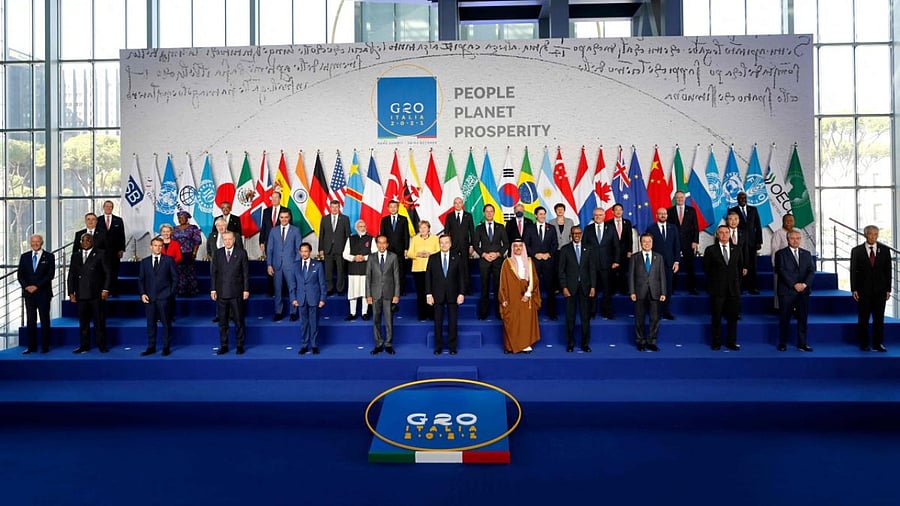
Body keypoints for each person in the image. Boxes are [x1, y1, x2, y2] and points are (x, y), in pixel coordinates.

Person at [703, 225, 746, 351]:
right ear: (717, 235)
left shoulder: (737, 249)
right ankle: (716, 342)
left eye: (726, 232)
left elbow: (739, 268)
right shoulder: (710, 250)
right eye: (721, 233)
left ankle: (731, 342)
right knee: (716, 317)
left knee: (732, 318)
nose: (724, 235)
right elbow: (706, 268)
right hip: (717, 290)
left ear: (730, 234)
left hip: (733, 290)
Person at [850, 225, 892, 352]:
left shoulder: (885, 250)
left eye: (875, 234)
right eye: (870, 234)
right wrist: (854, 289)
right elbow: (853, 271)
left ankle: (878, 343)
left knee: (879, 319)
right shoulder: (856, 251)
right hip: (863, 291)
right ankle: (864, 343)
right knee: (863, 318)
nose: (873, 236)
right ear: (865, 235)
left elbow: (888, 271)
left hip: (880, 291)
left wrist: (888, 289)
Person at [67, 233, 110, 353]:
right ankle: (84, 345)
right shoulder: (75, 256)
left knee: (99, 321)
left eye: (88, 240)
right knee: (83, 322)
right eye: (83, 240)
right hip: (81, 293)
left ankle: (102, 345)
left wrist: (105, 289)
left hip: (96, 293)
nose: (85, 242)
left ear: (92, 241)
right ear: (80, 242)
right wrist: (71, 292)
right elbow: (71, 275)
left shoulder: (101, 253)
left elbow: (107, 273)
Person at [774, 230, 815, 352]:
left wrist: (804, 284)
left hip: (803, 291)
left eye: (798, 238)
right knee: (784, 318)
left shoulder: (806, 254)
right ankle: (782, 343)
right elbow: (781, 270)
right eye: (792, 238)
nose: (795, 240)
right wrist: (794, 284)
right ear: (788, 239)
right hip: (787, 292)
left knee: (803, 319)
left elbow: (811, 271)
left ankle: (802, 343)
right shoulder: (780, 254)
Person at [210, 231, 250, 355]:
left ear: (234, 240)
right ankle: (224, 345)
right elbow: (214, 273)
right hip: (221, 293)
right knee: (223, 322)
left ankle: (239, 345)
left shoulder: (241, 253)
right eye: (225, 239)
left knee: (239, 321)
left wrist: (246, 289)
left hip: (237, 292)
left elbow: (245, 273)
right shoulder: (218, 253)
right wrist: (213, 289)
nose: (227, 241)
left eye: (229, 239)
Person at [499, 239, 542, 354]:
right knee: (511, 320)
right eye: (515, 246)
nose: (518, 248)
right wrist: (503, 298)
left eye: (520, 246)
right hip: (511, 297)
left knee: (525, 320)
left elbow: (534, 279)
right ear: (512, 248)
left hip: (526, 296)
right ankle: (510, 346)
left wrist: (528, 294)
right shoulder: (507, 263)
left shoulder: (529, 261)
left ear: (523, 248)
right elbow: (503, 282)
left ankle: (525, 344)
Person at [558, 227, 596, 353]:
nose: (577, 235)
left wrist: (593, 287)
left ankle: (585, 344)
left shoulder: (589, 249)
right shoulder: (565, 249)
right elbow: (561, 271)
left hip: (585, 288)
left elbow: (592, 269)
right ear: (571, 235)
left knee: (585, 318)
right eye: (574, 233)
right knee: (570, 318)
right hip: (570, 288)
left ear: (582, 235)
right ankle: (570, 343)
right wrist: (564, 287)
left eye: (579, 233)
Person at [138, 237, 178, 356]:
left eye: (160, 246)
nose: (158, 248)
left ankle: (166, 347)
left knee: (166, 323)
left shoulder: (169, 260)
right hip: (149, 298)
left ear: (162, 247)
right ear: (151, 247)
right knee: (150, 323)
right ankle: (151, 346)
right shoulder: (144, 262)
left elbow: (175, 278)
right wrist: (142, 293)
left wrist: (169, 293)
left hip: (164, 298)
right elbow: (141, 280)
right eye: (155, 245)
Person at [426, 234, 465, 355]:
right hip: (437, 295)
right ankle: (438, 347)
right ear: (439, 244)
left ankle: (452, 347)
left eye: (446, 242)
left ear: (450, 244)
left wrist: (461, 293)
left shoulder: (457, 258)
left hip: (453, 295)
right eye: (442, 242)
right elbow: (428, 277)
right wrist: (428, 294)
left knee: (453, 323)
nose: (444, 245)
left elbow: (461, 277)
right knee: (438, 322)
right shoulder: (433, 258)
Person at [17, 234, 55, 354]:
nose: (35, 244)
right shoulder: (24, 257)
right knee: (30, 320)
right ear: (30, 243)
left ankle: (45, 346)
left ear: (42, 242)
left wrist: (36, 286)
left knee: (44, 320)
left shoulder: (49, 256)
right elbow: (20, 275)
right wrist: (27, 286)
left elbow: (50, 275)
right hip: (29, 294)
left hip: (43, 293)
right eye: (33, 242)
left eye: (37, 241)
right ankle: (31, 346)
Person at [629, 233, 666, 352]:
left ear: (652, 243)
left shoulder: (658, 257)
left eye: (649, 241)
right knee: (639, 318)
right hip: (639, 292)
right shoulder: (635, 257)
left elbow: (662, 276)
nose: (647, 244)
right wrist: (632, 292)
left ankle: (651, 341)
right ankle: (640, 341)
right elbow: (631, 276)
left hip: (655, 292)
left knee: (654, 318)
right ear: (640, 243)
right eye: (644, 241)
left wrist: (663, 292)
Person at [583, 207, 619, 320]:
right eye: (596, 215)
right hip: (591, 265)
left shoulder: (611, 228)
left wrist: (616, 260)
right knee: (591, 289)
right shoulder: (588, 229)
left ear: (604, 216)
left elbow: (616, 246)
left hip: (607, 264)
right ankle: (591, 312)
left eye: (600, 215)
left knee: (607, 290)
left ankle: (606, 311)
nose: (598, 217)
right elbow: (584, 246)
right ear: (593, 216)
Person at [366, 235, 400, 355]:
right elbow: (368, 277)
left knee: (389, 321)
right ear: (376, 244)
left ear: (387, 244)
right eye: (379, 243)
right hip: (375, 294)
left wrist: (396, 294)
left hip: (389, 294)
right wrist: (368, 295)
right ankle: (378, 344)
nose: (381, 245)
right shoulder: (371, 257)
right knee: (376, 320)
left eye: (384, 243)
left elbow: (396, 277)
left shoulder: (393, 257)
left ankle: (388, 344)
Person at [474, 204, 508, 320]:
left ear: (494, 213)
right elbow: (475, 244)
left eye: (491, 211)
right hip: (485, 260)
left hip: (498, 261)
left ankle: (500, 313)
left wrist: (498, 254)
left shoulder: (501, 227)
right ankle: (483, 313)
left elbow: (506, 244)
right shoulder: (479, 228)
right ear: (484, 213)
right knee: (484, 287)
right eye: (487, 211)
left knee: (498, 287)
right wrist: (484, 254)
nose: (489, 213)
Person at [266, 209, 302, 321]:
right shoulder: (273, 231)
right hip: (277, 265)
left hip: (291, 265)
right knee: (277, 290)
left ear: (289, 218)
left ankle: (293, 312)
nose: (284, 219)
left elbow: (298, 249)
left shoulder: (295, 230)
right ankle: (278, 312)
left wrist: (296, 264)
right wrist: (269, 264)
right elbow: (270, 249)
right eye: (282, 217)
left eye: (286, 217)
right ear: (279, 218)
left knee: (292, 288)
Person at [291, 242, 326, 355]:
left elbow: (322, 284)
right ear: (299, 252)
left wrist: (322, 299)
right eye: (302, 251)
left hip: (314, 298)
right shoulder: (295, 265)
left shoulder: (318, 265)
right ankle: (305, 345)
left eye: (306, 251)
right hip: (301, 299)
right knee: (303, 324)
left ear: (310, 252)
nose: (304, 253)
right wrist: (293, 298)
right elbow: (292, 284)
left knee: (314, 323)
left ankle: (314, 345)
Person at [646, 208, 680, 320]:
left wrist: (676, 261)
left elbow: (676, 245)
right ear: (656, 215)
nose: (663, 215)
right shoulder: (651, 229)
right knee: (655, 288)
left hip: (669, 264)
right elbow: (647, 246)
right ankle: (655, 311)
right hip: (655, 264)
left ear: (667, 215)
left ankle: (666, 311)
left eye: (664, 214)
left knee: (668, 289)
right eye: (660, 214)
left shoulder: (673, 228)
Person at [528, 207, 559, 320]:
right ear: (536, 215)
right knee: (533, 287)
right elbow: (526, 244)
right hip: (535, 262)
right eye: (540, 214)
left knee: (550, 288)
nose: (543, 216)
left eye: (544, 214)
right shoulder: (530, 228)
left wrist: (548, 254)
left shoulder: (551, 228)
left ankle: (552, 313)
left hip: (548, 262)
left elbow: (555, 244)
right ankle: (532, 313)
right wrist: (535, 254)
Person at [260, 190, 292, 297]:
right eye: (272, 197)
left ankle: (283, 291)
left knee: (282, 267)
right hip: (269, 244)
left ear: (280, 199)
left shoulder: (286, 210)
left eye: (276, 197)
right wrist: (261, 241)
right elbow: (263, 227)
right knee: (270, 266)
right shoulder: (266, 211)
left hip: (282, 244)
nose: (274, 199)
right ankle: (271, 291)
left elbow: (289, 229)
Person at [342, 220, 376, 320]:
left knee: (365, 292)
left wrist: (364, 257)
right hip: (353, 269)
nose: (362, 228)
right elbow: (345, 254)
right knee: (353, 292)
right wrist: (354, 258)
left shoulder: (371, 239)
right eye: (360, 226)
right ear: (356, 228)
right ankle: (352, 313)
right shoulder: (351, 238)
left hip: (366, 269)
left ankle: (364, 313)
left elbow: (374, 254)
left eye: (364, 226)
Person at [729, 191, 762, 294]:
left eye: (744, 198)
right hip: (739, 242)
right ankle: (740, 287)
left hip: (752, 243)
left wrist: (759, 241)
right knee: (740, 265)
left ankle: (753, 287)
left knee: (752, 266)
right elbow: (731, 225)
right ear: (737, 199)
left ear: (746, 199)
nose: (742, 200)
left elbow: (758, 226)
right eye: (740, 198)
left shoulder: (753, 209)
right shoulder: (732, 210)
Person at [407, 220, 439, 321]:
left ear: (428, 228)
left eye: (425, 227)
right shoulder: (415, 239)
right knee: (421, 293)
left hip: (432, 269)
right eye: (421, 228)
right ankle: (422, 314)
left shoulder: (435, 238)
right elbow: (409, 253)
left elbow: (439, 252)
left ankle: (432, 314)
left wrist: (430, 254)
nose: (423, 229)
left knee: (432, 292)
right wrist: (418, 254)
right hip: (418, 269)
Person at [668, 191, 699, 295]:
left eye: (681, 197)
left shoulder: (691, 210)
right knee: (673, 266)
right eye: (677, 198)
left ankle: (692, 288)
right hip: (673, 243)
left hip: (688, 242)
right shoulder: (670, 211)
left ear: (685, 198)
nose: (680, 199)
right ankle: (671, 288)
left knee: (690, 266)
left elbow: (695, 227)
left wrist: (695, 241)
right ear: (675, 199)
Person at [443, 197, 475, 294]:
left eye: (459, 203)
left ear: (462, 204)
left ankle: (467, 289)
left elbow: (472, 232)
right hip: (453, 247)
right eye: (455, 203)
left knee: (466, 268)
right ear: (453, 204)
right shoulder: (449, 216)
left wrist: (472, 245)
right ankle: (455, 289)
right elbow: (446, 232)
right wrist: (446, 246)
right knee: (453, 268)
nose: (457, 205)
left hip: (465, 246)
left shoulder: (468, 216)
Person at [319, 200, 351, 295]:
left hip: (341, 249)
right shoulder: (325, 219)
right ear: (330, 207)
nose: (334, 209)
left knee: (340, 270)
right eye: (332, 207)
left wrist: (347, 250)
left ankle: (340, 289)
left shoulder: (345, 219)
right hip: (328, 249)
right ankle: (329, 289)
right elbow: (321, 235)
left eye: (336, 207)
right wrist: (321, 249)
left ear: (339, 208)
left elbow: (347, 235)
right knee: (328, 271)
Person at [380, 200, 410, 295]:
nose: (393, 208)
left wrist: (406, 248)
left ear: (397, 208)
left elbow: (406, 235)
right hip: (387, 249)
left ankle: (401, 290)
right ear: (388, 208)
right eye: (391, 207)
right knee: (388, 270)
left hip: (400, 249)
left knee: (400, 270)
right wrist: (382, 247)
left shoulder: (404, 219)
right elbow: (382, 235)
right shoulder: (384, 220)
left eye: (395, 207)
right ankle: (389, 290)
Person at [97, 200, 125, 296]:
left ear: (112, 208)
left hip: (114, 251)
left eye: (110, 206)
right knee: (102, 271)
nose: (108, 208)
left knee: (114, 271)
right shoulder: (98, 220)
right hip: (101, 251)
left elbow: (122, 235)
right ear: (103, 207)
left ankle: (114, 291)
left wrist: (121, 249)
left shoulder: (118, 220)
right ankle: (103, 290)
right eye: (107, 206)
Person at [606, 203, 633, 298]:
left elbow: (630, 238)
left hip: (625, 252)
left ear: (622, 211)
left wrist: (630, 251)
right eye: (616, 210)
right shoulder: (608, 223)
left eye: (620, 210)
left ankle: (623, 289)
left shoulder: (627, 222)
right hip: (612, 252)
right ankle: (613, 289)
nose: (618, 211)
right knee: (612, 272)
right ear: (612, 211)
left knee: (624, 271)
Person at [172, 211, 202, 296]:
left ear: (187, 218)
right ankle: (180, 290)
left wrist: (194, 252)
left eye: (182, 217)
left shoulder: (193, 228)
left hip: (188, 253)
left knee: (189, 272)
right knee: (178, 272)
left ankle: (190, 291)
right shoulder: (174, 229)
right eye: (179, 218)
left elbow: (197, 241)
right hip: (177, 254)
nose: (180, 219)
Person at [769, 214, 795, 310]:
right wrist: (775, 265)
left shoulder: (797, 233)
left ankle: (794, 307)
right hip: (782, 267)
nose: (789, 223)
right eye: (787, 221)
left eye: (791, 220)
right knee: (780, 288)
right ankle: (779, 308)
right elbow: (774, 250)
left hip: (795, 267)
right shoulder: (778, 233)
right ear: (783, 222)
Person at [158, 224, 182, 322]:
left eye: (168, 231)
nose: (166, 233)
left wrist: (170, 264)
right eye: (164, 231)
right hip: (159, 273)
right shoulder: (157, 243)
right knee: (159, 296)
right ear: (161, 233)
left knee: (171, 296)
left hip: (172, 272)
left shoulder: (175, 243)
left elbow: (179, 257)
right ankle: (160, 316)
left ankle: (171, 316)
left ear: (171, 232)